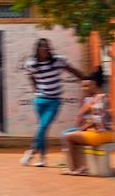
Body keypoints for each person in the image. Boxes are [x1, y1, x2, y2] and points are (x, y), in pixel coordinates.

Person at [21, 38, 85, 167]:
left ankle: (33, 151)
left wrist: (86, 78)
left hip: (54, 101)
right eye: (42, 48)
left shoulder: (57, 61)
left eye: (47, 48)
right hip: (40, 100)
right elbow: (30, 75)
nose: (45, 50)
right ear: (37, 50)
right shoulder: (32, 64)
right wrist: (35, 89)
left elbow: (72, 70)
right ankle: (42, 158)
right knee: (42, 129)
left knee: (43, 126)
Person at [63, 67, 114, 175]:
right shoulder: (96, 97)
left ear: (94, 84)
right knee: (71, 135)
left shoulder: (100, 98)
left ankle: (77, 168)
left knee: (69, 137)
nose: (84, 89)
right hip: (102, 132)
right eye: (82, 86)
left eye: (86, 86)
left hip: (103, 133)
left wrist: (81, 129)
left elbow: (96, 119)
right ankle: (80, 166)